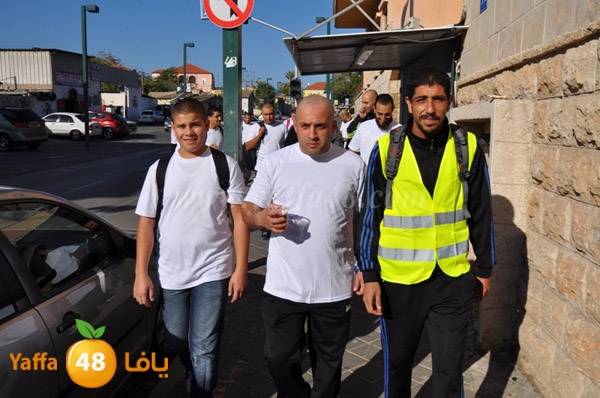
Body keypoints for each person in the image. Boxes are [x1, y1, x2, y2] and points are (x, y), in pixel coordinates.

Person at [358, 66, 496, 397]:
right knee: (398, 368)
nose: (429, 108)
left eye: (437, 99)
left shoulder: (469, 148)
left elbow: (482, 212)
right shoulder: (385, 151)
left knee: (449, 373)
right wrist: (369, 274)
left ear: (449, 101)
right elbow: (369, 218)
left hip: (452, 279)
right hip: (398, 282)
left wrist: (486, 268)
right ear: (408, 103)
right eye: (421, 99)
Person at [242, 95, 366, 398]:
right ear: (294, 125)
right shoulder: (275, 162)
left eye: (321, 126)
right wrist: (261, 218)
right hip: (284, 287)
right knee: (279, 359)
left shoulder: (353, 165)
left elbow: (364, 220)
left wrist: (365, 267)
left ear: (334, 126)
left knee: (328, 367)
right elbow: (247, 210)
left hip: (334, 288)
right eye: (306, 126)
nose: (312, 134)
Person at [133, 97, 249, 397]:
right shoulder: (159, 170)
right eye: (182, 126)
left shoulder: (225, 166)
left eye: (195, 124)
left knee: (205, 347)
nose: (189, 132)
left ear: (207, 124)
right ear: (173, 128)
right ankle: (194, 374)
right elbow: (146, 223)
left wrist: (240, 269)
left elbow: (239, 219)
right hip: (172, 273)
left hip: (214, 270)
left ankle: (200, 389)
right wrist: (141, 274)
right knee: (177, 342)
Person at [243, 102, 288, 240]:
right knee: (261, 198)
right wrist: (259, 135)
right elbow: (247, 146)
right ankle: (263, 226)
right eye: (266, 114)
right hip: (261, 168)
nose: (269, 117)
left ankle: (274, 224)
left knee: (277, 197)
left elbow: (285, 146)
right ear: (261, 114)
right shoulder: (256, 127)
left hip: (279, 168)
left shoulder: (282, 127)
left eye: (271, 114)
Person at [348, 93, 400, 164]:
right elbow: (352, 152)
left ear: (392, 109)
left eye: (387, 114)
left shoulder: (399, 129)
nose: (383, 118)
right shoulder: (364, 126)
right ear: (374, 109)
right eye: (380, 114)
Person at [240, 112, 257, 184]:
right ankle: (246, 178)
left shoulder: (253, 126)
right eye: (246, 118)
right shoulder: (241, 125)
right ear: (244, 118)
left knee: (252, 162)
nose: (247, 120)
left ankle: (253, 175)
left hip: (251, 146)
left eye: (249, 118)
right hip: (243, 146)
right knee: (244, 162)